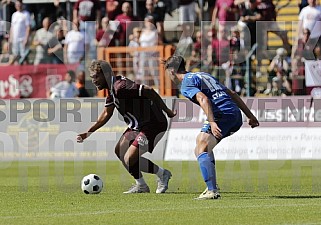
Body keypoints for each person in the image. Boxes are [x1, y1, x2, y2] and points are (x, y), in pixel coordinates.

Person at [163, 55, 259, 199]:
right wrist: (250, 116)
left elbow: (203, 99)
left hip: (222, 113)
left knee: (202, 146)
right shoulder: (203, 75)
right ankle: (212, 186)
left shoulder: (186, 84)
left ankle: (212, 190)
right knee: (201, 145)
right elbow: (231, 93)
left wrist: (212, 122)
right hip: (234, 114)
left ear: (171, 71)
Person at [77, 60, 176, 194]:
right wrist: (88, 132)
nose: (93, 80)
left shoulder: (121, 87)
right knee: (120, 151)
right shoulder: (112, 91)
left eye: (95, 77)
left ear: (106, 74)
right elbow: (107, 113)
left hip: (153, 124)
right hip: (137, 126)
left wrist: (168, 111)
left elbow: (149, 90)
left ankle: (162, 174)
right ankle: (141, 185)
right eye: (92, 77)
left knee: (130, 158)